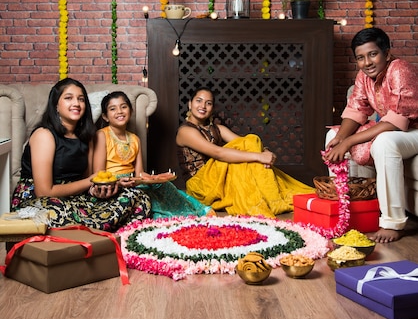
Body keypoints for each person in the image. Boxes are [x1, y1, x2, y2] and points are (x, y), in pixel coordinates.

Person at [11, 78, 151, 231]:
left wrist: (104, 188)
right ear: (56, 105)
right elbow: (44, 191)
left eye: (81, 99)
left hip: (75, 197)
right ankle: (95, 230)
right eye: (68, 98)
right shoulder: (44, 135)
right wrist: (91, 181)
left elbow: (87, 181)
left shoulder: (86, 137)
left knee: (138, 198)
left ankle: (102, 232)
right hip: (41, 199)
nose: (76, 103)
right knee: (56, 212)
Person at [325, 27, 418, 243]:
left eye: (373, 54)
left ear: (386, 52)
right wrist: (341, 139)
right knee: (332, 137)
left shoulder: (400, 70)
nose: (367, 62)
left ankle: (393, 223)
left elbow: (397, 121)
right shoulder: (363, 77)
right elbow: (357, 110)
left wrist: (349, 140)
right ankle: (347, 212)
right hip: (396, 131)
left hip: (412, 130)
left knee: (384, 143)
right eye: (360, 58)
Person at [175, 86, 314, 218]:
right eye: (198, 101)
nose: (203, 106)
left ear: (212, 108)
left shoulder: (217, 128)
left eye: (208, 103)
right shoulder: (185, 131)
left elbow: (248, 144)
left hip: (218, 178)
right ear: (189, 104)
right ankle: (273, 199)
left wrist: (267, 153)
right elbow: (218, 153)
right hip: (200, 185)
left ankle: (272, 197)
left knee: (251, 141)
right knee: (243, 157)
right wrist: (259, 157)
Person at [93, 91, 212, 219]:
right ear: (105, 116)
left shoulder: (134, 139)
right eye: (113, 109)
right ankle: (163, 215)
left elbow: (140, 174)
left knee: (164, 185)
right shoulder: (102, 135)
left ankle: (190, 212)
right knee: (141, 198)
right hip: (112, 185)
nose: (119, 111)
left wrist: (155, 178)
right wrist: (119, 183)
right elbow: (99, 175)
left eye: (123, 107)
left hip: (132, 182)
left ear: (131, 111)